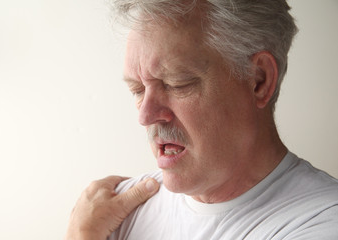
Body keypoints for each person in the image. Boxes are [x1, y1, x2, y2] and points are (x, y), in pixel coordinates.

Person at [66, 0, 338, 239]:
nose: (145, 116)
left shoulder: (322, 222)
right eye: (137, 89)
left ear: (259, 80)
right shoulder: (111, 212)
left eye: (177, 83)